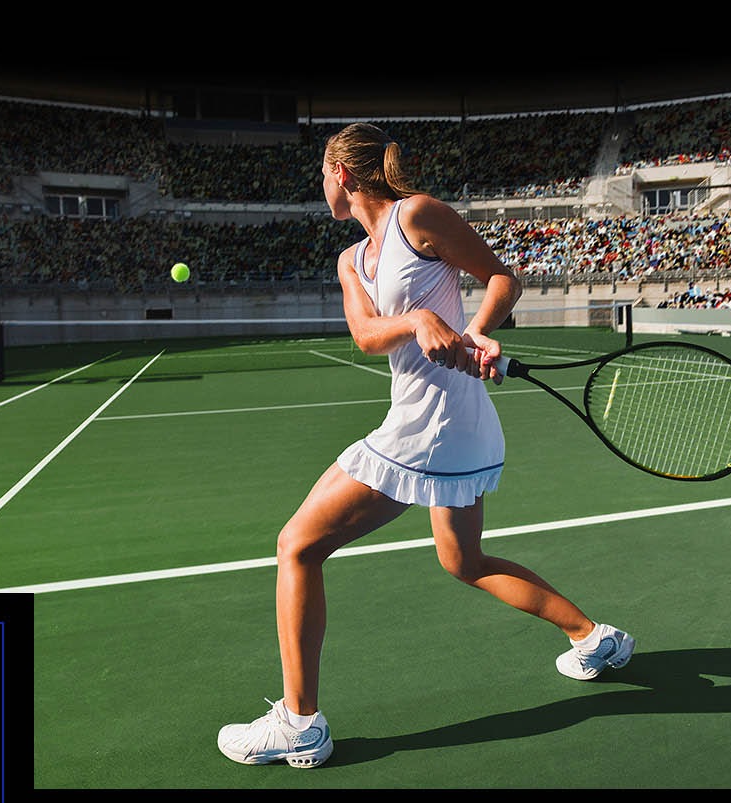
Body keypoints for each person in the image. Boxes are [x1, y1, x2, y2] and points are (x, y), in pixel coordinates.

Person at [217, 122, 634, 768]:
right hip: (444, 424)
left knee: (296, 545)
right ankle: (593, 637)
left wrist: (476, 331)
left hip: (435, 426)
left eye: (321, 175)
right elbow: (365, 334)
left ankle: (299, 724)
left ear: (342, 174)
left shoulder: (419, 216)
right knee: (463, 561)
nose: (320, 187)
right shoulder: (351, 260)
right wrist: (417, 319)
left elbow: (501, 278)